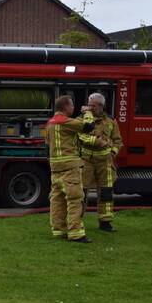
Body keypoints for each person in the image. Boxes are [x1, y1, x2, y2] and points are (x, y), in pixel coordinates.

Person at [46, 95, 97, 243]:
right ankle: (76, 233)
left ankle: (58, 230)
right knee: (75, 200)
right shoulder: (66, 122)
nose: (73, 108)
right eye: (71, 105)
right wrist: (87, 112)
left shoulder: (50, 123)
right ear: (65, 107)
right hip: (70, 168)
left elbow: (46, 147)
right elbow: (88, 127)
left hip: (55, 168)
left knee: (57, 201)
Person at [77, 93, 123, 233]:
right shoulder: (82, 118)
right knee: (81, 192)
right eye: (89, 104)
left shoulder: (111, 121)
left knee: (106, 192)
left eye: (93, 105)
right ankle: (77, 221)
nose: (90, 108)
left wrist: (112, 153)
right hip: (86, 161)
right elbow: (80, 135)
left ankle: (105, 222)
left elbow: (118, 141)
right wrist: (97, 142)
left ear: (101, 106)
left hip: (105, 162)